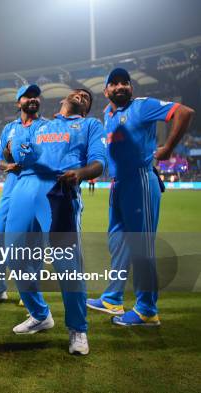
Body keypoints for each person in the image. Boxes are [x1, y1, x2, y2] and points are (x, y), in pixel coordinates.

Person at [86, 68, 194, 326]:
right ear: (106, 91)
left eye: (125, 82)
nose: (121, 86)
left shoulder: (143, 106)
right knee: (118, 244)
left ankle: (147, 309)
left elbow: (184, 112)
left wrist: (168, 147)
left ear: (131, 88)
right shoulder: (108, 114)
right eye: (114, 83)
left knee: (141, 247)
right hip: (118, 184)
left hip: (140, 181)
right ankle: (112, 297)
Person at [6, 88, 106, 355]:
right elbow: (20, 158)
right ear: (63, 100)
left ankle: (78, 329)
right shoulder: (41, 127)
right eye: (77, 93)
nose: (82, 96)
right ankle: (40, 314)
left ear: (86, 109)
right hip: (26, 189)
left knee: (67, 264)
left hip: (60, 191)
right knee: (14, 257)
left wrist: (83, 172)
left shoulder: (90, 125)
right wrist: (12, 156)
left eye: (87, 98)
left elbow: (99, 162)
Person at [0, 84, 48, 303]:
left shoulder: (49, 127)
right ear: (18, 102)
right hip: (12, 185)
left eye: (35, 96)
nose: (32, 99)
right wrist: (6, 165)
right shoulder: (9, 128)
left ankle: (30, 289)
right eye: (27, 96)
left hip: (37, 185)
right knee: (0, 236)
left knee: (34, 239)